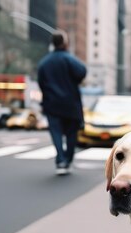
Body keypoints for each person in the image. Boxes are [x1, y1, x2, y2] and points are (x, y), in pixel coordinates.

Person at [37, 30, 87, 176]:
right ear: (64, 43)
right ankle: (68, 159)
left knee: (56, 133)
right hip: (71, 104)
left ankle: (61, 160)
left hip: (52, 104)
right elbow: (82, 71)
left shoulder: (44, 63)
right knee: (72, 134)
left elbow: (41, 83)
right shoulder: (69, 59)